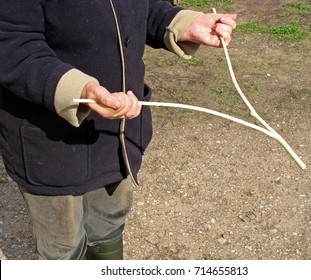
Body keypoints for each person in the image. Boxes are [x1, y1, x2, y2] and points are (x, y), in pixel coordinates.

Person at [0, 1, 237, 260]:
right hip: (49, 144)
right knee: (63, 247)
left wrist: (181, 23)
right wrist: (79, 91)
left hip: (117, 135)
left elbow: (142, 9)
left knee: (108, 225)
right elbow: (12, 43)